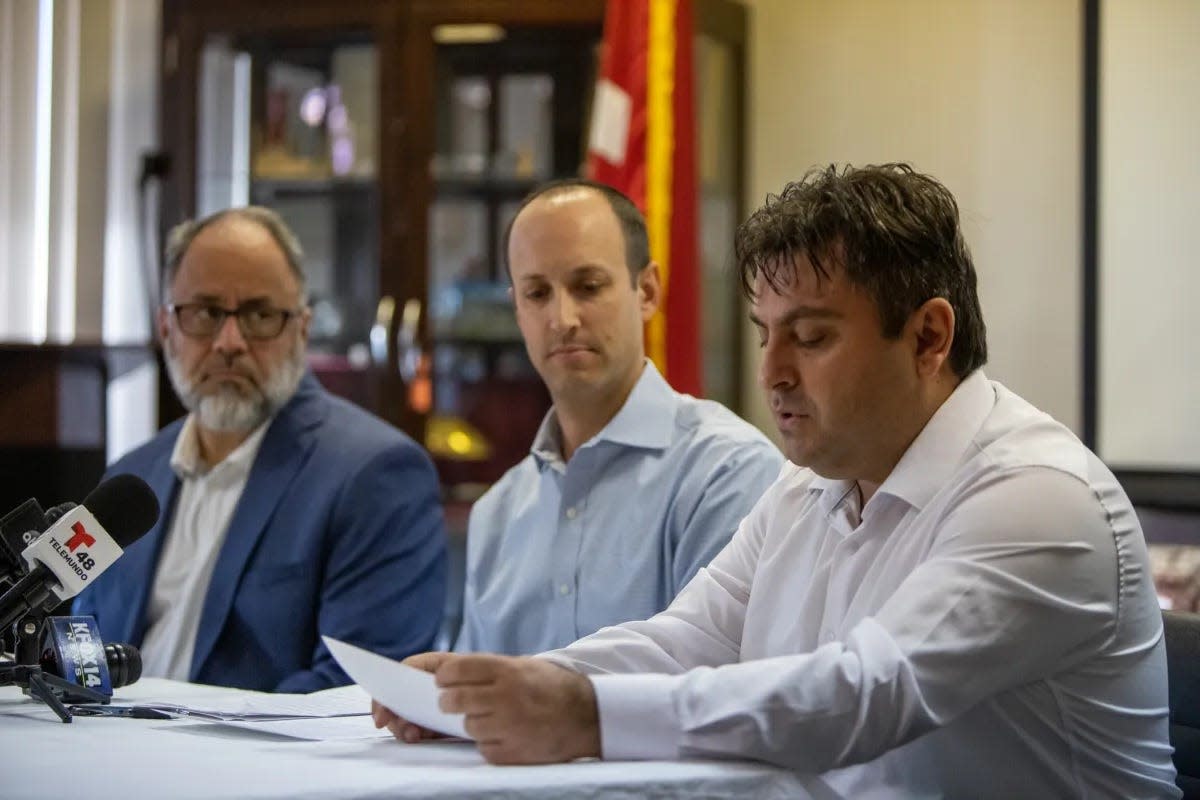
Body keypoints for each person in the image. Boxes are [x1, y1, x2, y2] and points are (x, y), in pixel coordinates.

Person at [373, 165, 1180, 797]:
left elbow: (865, 693)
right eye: (764, 335)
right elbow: (688, 639)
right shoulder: (813, 480)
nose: (772, 374)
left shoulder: (1038, 494)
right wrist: (505, 688)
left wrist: (581, 713)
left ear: (929, 335)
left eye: (813, 337)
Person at [74, 206, 447, 693]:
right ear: (167, 328)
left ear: (302, 329)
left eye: (259, 315)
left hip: (254, 768)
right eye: (205, 313)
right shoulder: (129, 480)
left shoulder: (377, 476)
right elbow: (80, 649)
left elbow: (357, 692)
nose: (230, 343)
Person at [453, 179, 782, 655]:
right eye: (537, 294)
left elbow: (718, 690)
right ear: (517, 311)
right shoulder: (497, 514)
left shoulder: (727, 474)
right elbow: (469, 708)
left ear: (647, 291)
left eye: (588, 287)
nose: (562, 319)